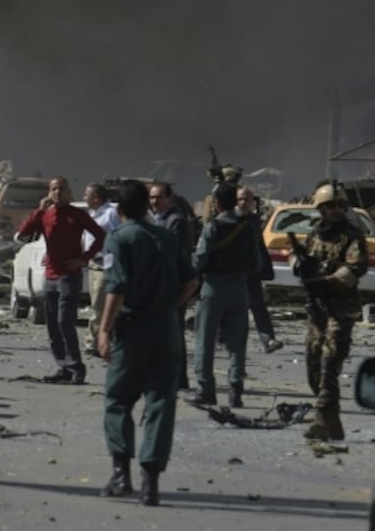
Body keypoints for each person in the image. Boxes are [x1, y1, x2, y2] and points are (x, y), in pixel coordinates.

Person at [96, 180, 188, 507]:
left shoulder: (119, 239)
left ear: (118, 210)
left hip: (133, 329)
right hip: (166, 329)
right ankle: (151, 482)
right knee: (161, 404)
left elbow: (116, 286)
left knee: (119, 399)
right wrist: (170, 307)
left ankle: (122, 473)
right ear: (146, 207)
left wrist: (104, 330)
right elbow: (191, 278)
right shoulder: (166, 236)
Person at [288, 182, 368, 440]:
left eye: (339, 206)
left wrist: (327, 282)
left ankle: (322, 416)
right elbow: (297, 256)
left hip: (341, 308)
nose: (336, 210)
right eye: (330, 206)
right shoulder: (315, 233)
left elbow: (356, 267)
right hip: (317, 310)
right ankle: (332, 419)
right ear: (320, 210)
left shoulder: (352, 234)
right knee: (313, 366)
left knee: (329, 363)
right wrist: (299, 266)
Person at [16, 176, 106, 385]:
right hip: (50, 276)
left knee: (65, 321)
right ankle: (62, 366)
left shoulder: (76, 215)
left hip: (68, 276)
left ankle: (76, 368)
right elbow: (23, 232)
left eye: (61, 189)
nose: (57, 193)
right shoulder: (46, 215)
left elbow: (100, 235)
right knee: (52, 325)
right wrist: (39, 209)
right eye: (53, 189)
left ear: (68, 192)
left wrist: (83, 259)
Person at [187, 183, 260, 408]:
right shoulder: (248, 227)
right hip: (239, 288)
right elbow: (256, 262)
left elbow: (199, 260)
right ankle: (235, 388)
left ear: (217, 203)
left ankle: (205, 389)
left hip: (214, 287)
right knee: (237, 342)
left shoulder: (213, 227)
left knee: (205, 340)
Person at [148, 182, 200, 389]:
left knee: (174, 332)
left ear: (170, 198)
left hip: (174, 284)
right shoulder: (158, 219)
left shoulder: (175, 221)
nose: (155, 201)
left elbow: (172, 254)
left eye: (159, 197)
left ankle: (179, 378)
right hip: (160, 284)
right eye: (152, 197)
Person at [237, 186, 282, 353]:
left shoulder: (254, 220)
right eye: (239, 199)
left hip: (251, 273)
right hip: (233, 273)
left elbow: (259, 245)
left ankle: (268, 339)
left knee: (258, 306)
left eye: (246, 199)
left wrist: (264, 267)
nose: (243, 203)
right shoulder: (227, 220)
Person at [82, 183, 120, 356]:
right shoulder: (92, 214)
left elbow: (116, 237)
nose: (84, 198)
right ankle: (100, 340)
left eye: (86, 195)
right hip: (93, 266)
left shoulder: (110, 213)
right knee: (96, 306)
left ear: (96, 198)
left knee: (99, 308)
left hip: (105, 265)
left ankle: (94, 343)